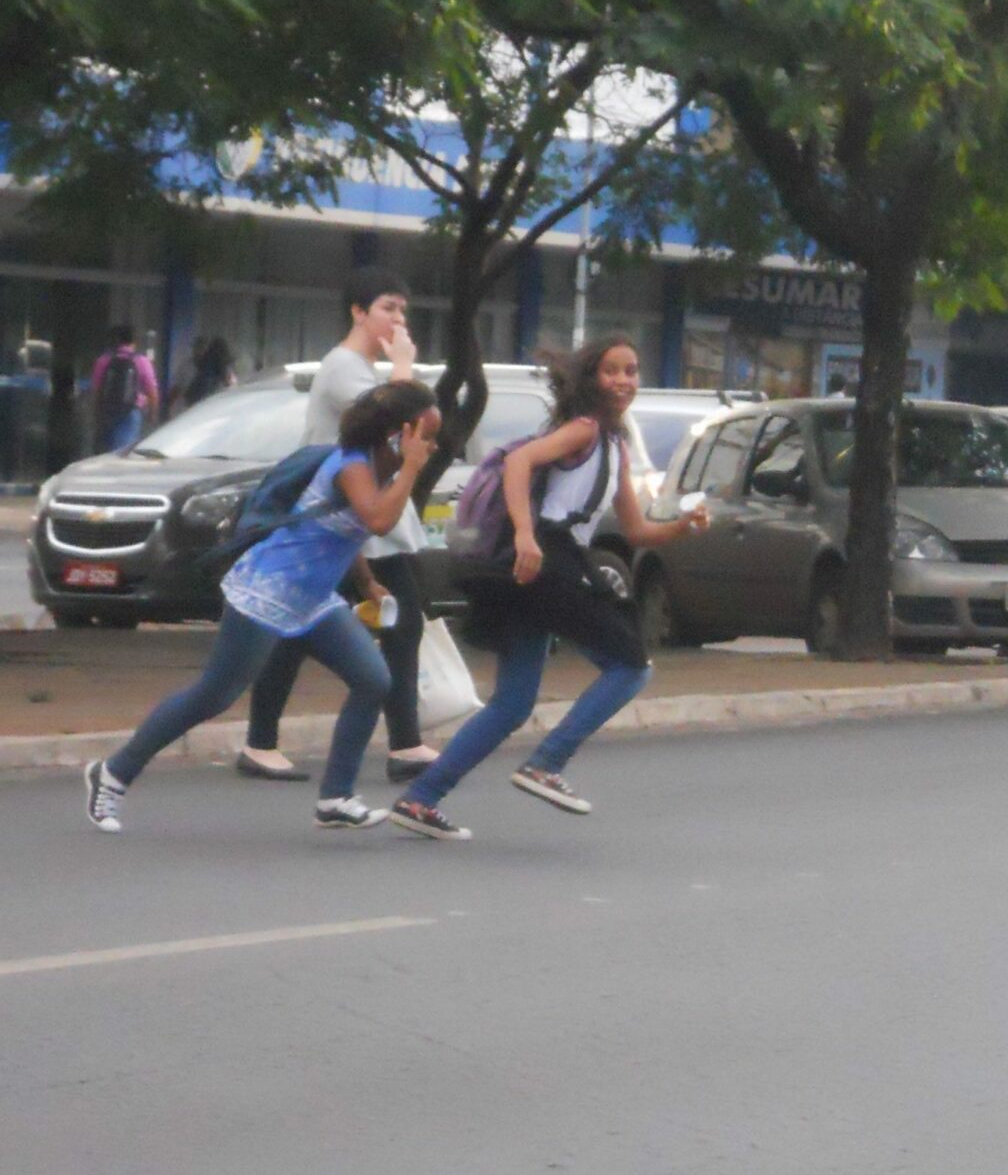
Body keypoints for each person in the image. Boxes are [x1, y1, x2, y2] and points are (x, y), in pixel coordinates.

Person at [83, 383, 440, 834]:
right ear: (397, 435)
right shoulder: (352, 465)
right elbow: (377, 520)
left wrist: (367, 582)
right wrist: (412, 467)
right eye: (426, 436)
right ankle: (112, 773)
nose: (432, 446)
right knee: (215, 694)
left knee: (373, 680)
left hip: (312, 600)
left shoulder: (379, 470)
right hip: (266, 590)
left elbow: (343, 530)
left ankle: (335, 798)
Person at [390, 336, 708, 840]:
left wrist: (684, 526)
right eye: (612, 371)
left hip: (535, 572)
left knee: (512, 704)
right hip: (546, 561)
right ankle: (547, 762)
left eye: (631, 371)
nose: (624, 381)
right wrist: (523, 534)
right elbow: (519, 465)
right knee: (630, 666)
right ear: (591, 379)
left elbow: (638, 531)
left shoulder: (613, 444)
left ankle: (421, 798)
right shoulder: (581, 430)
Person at [238, 266, 441, 784]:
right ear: (358, 311)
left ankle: (403, 742)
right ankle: (264, 742)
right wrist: (404, 367)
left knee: (394, 622)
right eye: (387, 308)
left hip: (363, 517)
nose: (398, 320)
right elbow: (395, 421)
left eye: (401, 310)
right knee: (320, 628)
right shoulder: (343, 367)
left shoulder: (359, 368)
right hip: (349, 518)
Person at [90, 326, 159, 452]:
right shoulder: (142, 361)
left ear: (117, 340)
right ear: (134, 342)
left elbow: (96, 391)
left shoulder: (103, 360)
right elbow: (152, 392)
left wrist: (96, 414)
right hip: (131, 412)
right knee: (123, 452)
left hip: (107, 411)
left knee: (106, 452)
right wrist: (152, 415)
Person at [171, 336, 237, 414]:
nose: (199, 351)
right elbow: (177, 389)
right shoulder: (188, 367)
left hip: (212, 409)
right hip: (192, 409)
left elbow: (230, 385)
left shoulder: (217, 369)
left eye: (203, 348)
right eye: (197, 348)